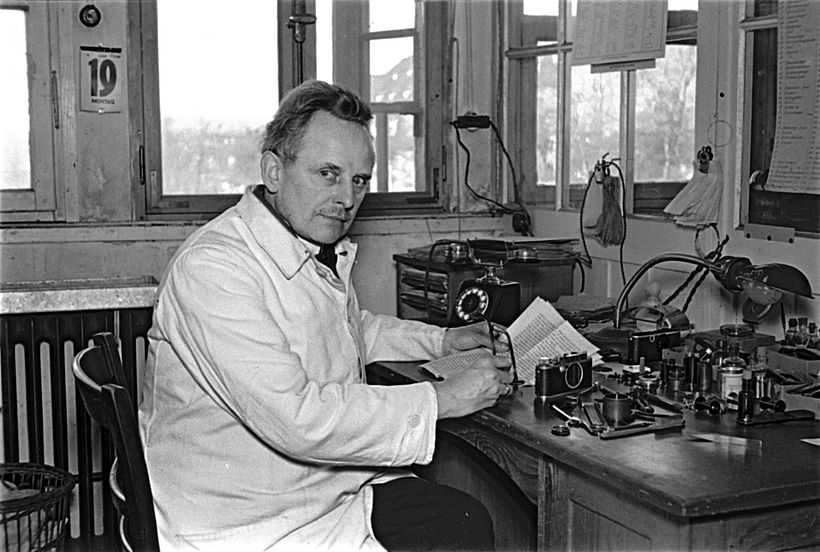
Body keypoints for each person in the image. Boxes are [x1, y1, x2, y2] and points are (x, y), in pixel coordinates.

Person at [139, 80, 514, 551]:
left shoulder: (303, 243)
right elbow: (297, 419)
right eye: (328, 174)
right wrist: (442, 400)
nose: (347, 198)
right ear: (274, 171)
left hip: (301, 492)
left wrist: (441, 342)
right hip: (246, 522)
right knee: (458, 527)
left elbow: (349, 329)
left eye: (359, 180)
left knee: (461, 519)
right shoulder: (216, 266)